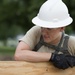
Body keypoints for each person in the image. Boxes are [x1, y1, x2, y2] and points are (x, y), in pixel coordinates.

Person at [14, 0, 75, 69]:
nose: (43, 32)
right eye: (42, 27)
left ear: (61, 28)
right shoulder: (36, 31)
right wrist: (52, 57)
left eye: (49, 28)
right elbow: (19, 54)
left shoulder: (71, 43)